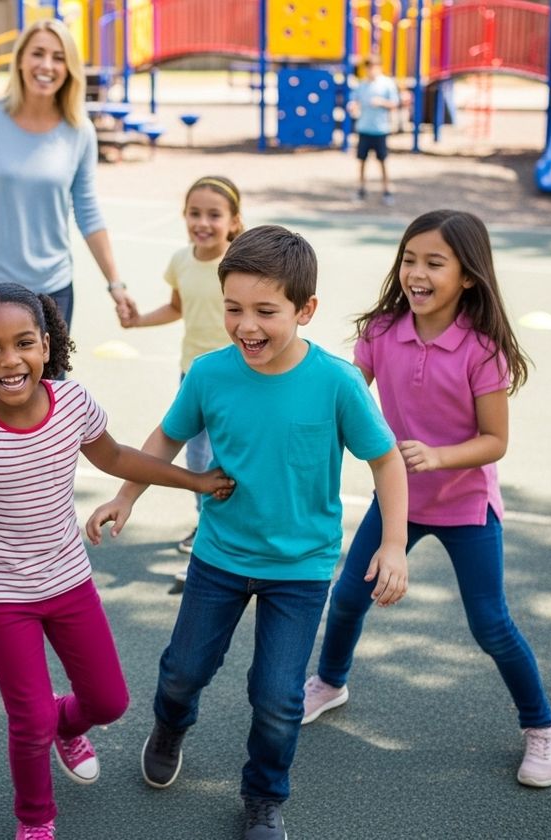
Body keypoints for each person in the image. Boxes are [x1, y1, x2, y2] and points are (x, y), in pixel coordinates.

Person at [0, 283, 234, 840]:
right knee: (29, 719)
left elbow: (115, 456)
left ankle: (66, 723)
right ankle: (35, 819)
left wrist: (195, 481)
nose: (9, 360)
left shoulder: (73, 403)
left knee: (109, 702)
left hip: (67, 579)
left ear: (46, 344)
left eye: (23, 343)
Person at [86, 226, 409, 840]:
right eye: (233, 308)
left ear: (305, 310)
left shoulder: (337, 383)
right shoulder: (210, 373)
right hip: (220, 556)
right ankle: (171, 726)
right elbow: (167, 437)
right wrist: (126, 496)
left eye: (265, 311)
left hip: (301, 568)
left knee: (278, 697)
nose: (246, 325)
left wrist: (393, 543)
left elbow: (386, 461)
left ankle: (263, 795)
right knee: (183, 671)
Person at [301, 209, 551, 787]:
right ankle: (330, 682)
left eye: (434, 263)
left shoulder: (483, 350)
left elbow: (495, 441)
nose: (416, 273)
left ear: (467, 275)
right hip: (398, 499)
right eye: (409, 259)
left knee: (490, 624)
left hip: (466, 508)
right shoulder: (381, 331)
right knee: (347, 598)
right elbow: (348, 395)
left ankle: (543, 727)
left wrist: (438, 456)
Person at [0, 19, 137, 331]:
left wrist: (116, 284)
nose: (47, 65)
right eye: (38, 53)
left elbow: (88, 212)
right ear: (20, 60)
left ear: (69, 68)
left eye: (58, 57)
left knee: (51, 367)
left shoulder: (80, 131)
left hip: (53, 290)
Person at [120, 175, 244, 572]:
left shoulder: (240, 265)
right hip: (192, 376)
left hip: (238, 379)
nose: (202, 223)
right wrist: (138, 321)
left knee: (232, 455)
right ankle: (206, 520)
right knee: (196, 456)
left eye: (214, 215)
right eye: (194, 213)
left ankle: (233, 528)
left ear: (234, 221)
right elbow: (177, 307)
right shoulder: (180, 261)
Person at [348, 54, 400, 205]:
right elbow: (354, 100)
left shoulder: (387, 84)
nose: (371, 70)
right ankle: (361, 189)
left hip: (380, 129)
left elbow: (394, 103)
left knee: (382, 161)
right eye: (369, 68)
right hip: (364, 128)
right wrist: (353, 106)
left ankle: (386, 190)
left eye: (374, 67)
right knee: (362, 161)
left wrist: (382, 102)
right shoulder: (362, 85)